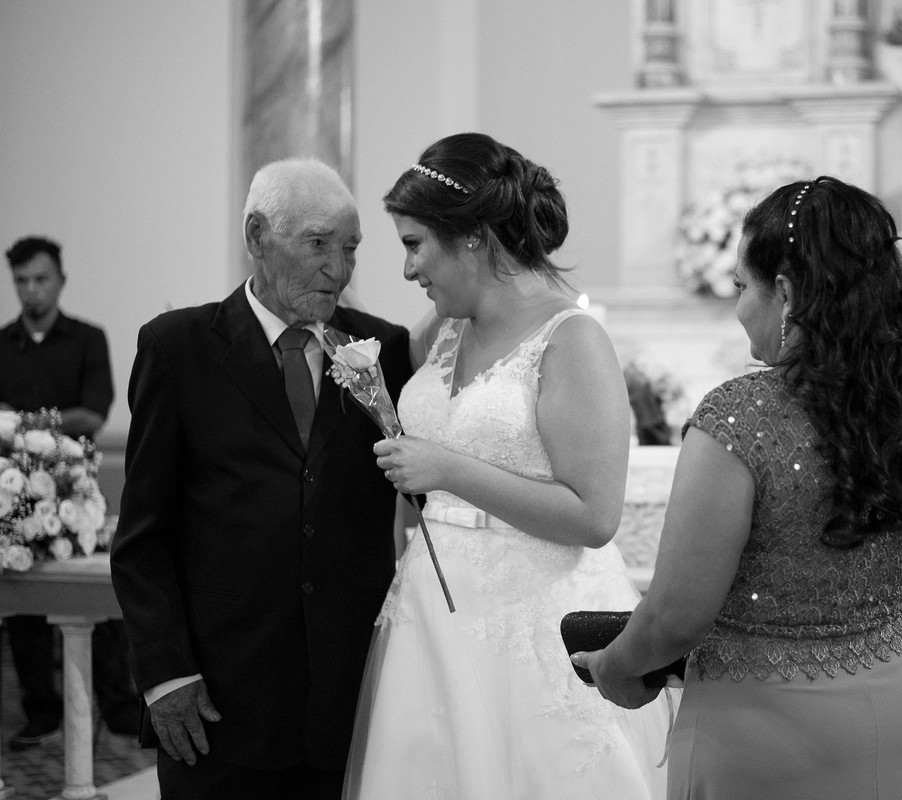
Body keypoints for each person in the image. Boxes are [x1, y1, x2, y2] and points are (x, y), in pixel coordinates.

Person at [575, 176, 902, 799]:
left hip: (760, 736)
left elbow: (677, 617)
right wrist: (845, 612)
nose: (738, 307)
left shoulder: (738, 417)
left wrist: (616, 669)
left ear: (785, 293)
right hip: (891, 720)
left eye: (741, 287)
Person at [342, 132, 671, 800]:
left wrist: (448, 469)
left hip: (535, 617)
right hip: (432, 616)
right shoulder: (442, 332)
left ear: (470, 237)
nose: (408, 270)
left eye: (414, 244)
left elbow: (594, 515)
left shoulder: (571, 339)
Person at [110, 158, 414, 800]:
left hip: (349, 698)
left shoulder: (380, 349)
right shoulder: (178, 348)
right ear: (256, 236)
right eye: (317, 243)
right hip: (217, 701)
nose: (339, 267)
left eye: (351, 247)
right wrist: (166, 676)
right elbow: (143, 533)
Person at [0, 236, 141, 749]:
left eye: (41, 279)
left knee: (95, 594)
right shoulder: (2, 342)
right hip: (13, 488)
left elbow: (94, 412)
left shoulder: (86, 338)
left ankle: (119, 705)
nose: (31, 290)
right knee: (24, 594)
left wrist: (22, 422)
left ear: (60, 279)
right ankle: (41, 713)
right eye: (21, 281)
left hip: (77, 482)